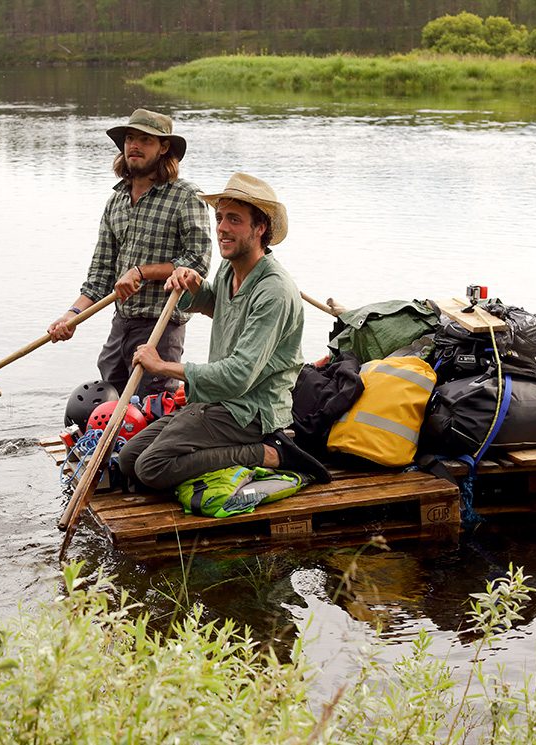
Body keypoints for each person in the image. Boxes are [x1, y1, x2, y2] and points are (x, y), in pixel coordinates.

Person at [117, 173, 331, 490]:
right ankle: (223, 446)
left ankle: (270, 454)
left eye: (234, 220)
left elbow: (238, 375)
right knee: (128, 460)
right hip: (218, 401)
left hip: (252, 411)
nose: (221, 228)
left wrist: (162, 366)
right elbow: (219, 305)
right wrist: (194, 286)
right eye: (219, 218)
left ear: (260, 228)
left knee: (151, 467)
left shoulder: (274, 291)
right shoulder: (229, 266)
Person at [47, 108, 212, 398]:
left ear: (163, 148)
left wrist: (142, 272)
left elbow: (197, 262)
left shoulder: (186, 196)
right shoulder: (116, 201)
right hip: (120, 324)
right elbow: (100, 276)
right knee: (108, 401)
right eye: (130, 138)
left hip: (161, 327)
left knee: (150, 407)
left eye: (146, 140)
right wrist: (71, 316)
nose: (134, 145)